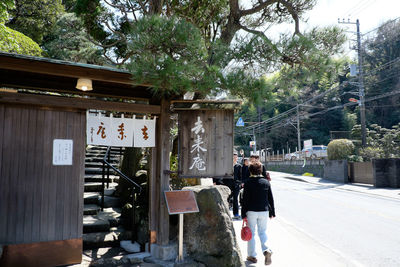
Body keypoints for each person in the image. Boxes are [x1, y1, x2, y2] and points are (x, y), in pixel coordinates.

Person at [241, 161, 275, 265]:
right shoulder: (265, 182)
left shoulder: (248, 182)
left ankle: (252, 256)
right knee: (262, 232)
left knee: (251, 233)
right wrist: (272, 212)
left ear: (250, 171)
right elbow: (270, 198)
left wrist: (243, 214)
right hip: (264, 211)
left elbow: (245, 200)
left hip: (251, 211)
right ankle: (267, 250)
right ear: (260, 170)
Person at [232, 153, 242, 219]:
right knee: (227, 199)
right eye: (233, 157)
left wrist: (238, 183)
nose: (235, 158)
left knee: (235, 199)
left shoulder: (239, 166)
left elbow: (241, 176)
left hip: (236, 185)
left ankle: (236, 214)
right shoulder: (227, 165)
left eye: (236, 157)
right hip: (228, 184)